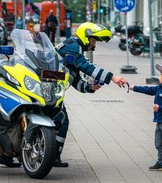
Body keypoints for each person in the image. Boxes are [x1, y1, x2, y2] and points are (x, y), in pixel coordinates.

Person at [54, 22, 127, 167]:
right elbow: (87, 67)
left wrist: (91, 87)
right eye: (93, 40)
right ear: (86, 37)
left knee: (62, 120)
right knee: (60, 119)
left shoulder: (75, 53)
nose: (94, 44)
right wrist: (112, 77)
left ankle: (54, 156)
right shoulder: (72, 46)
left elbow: (77, 82)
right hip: (44, 90)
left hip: (52, 93)